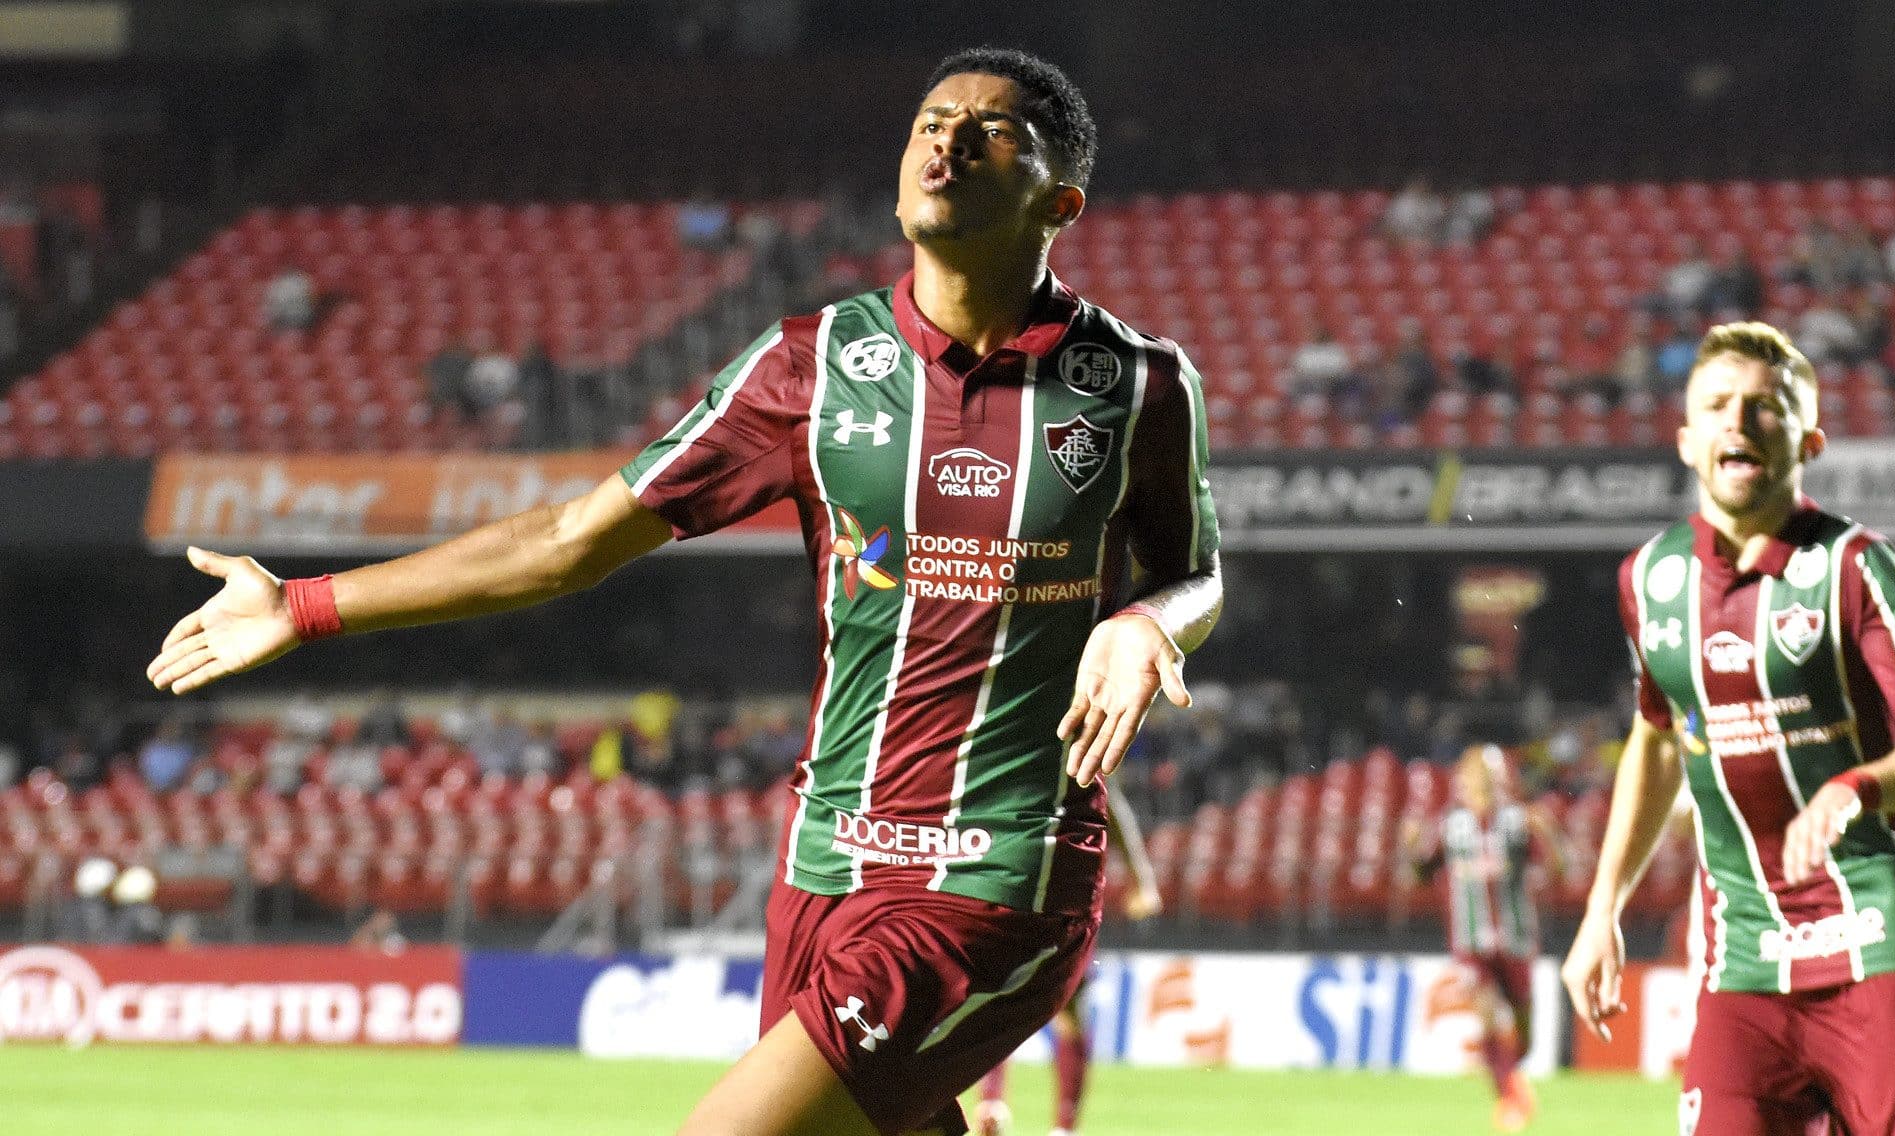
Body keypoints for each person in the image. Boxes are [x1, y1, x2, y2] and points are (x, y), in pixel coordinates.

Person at [146, 47, 1221, 1136]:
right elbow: (572, 537)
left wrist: (1146, 621)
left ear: (1062, 199)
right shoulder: (813, 363)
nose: (946, 140)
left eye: (990, 131)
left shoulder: (1138, 384)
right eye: (930, 121)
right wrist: (305, 605)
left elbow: (1196, 573)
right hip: (823, 866)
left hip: (998, 870)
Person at [1561, 321, 1895, 1135]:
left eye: (1764, 408)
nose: (1738, 421)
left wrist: (1851, 788)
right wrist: (1600, 911)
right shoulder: (1648, 581)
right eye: (1718, 405)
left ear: (1808, 440)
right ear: (1687, 441)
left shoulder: (1853, 566)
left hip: (1875, 935)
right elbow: (1657, 739)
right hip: (1744, 959)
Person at [971, 786, 1163, 1136]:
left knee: (1041, 1003)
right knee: (998, 996)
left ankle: (1055, 1125)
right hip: (1018, 884)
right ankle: (998, 1105)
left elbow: (1110, 805)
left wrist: (1141, 878)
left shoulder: (1069, 754)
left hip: (1056, 892)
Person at [1400, 744, 1562, 1133]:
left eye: (1488, 777)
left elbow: (1559, 869)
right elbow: (1420, 875)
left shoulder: (1516, 822)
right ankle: (1512, 1098)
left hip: (1516, 939)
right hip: (1471, 943)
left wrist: (1550, 834)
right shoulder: (1451, 826)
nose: (1481, 785)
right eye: (1473, 777)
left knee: (1524, 1038)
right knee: (1488, 1015)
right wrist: (1410, 848)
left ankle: (1510, 1078)